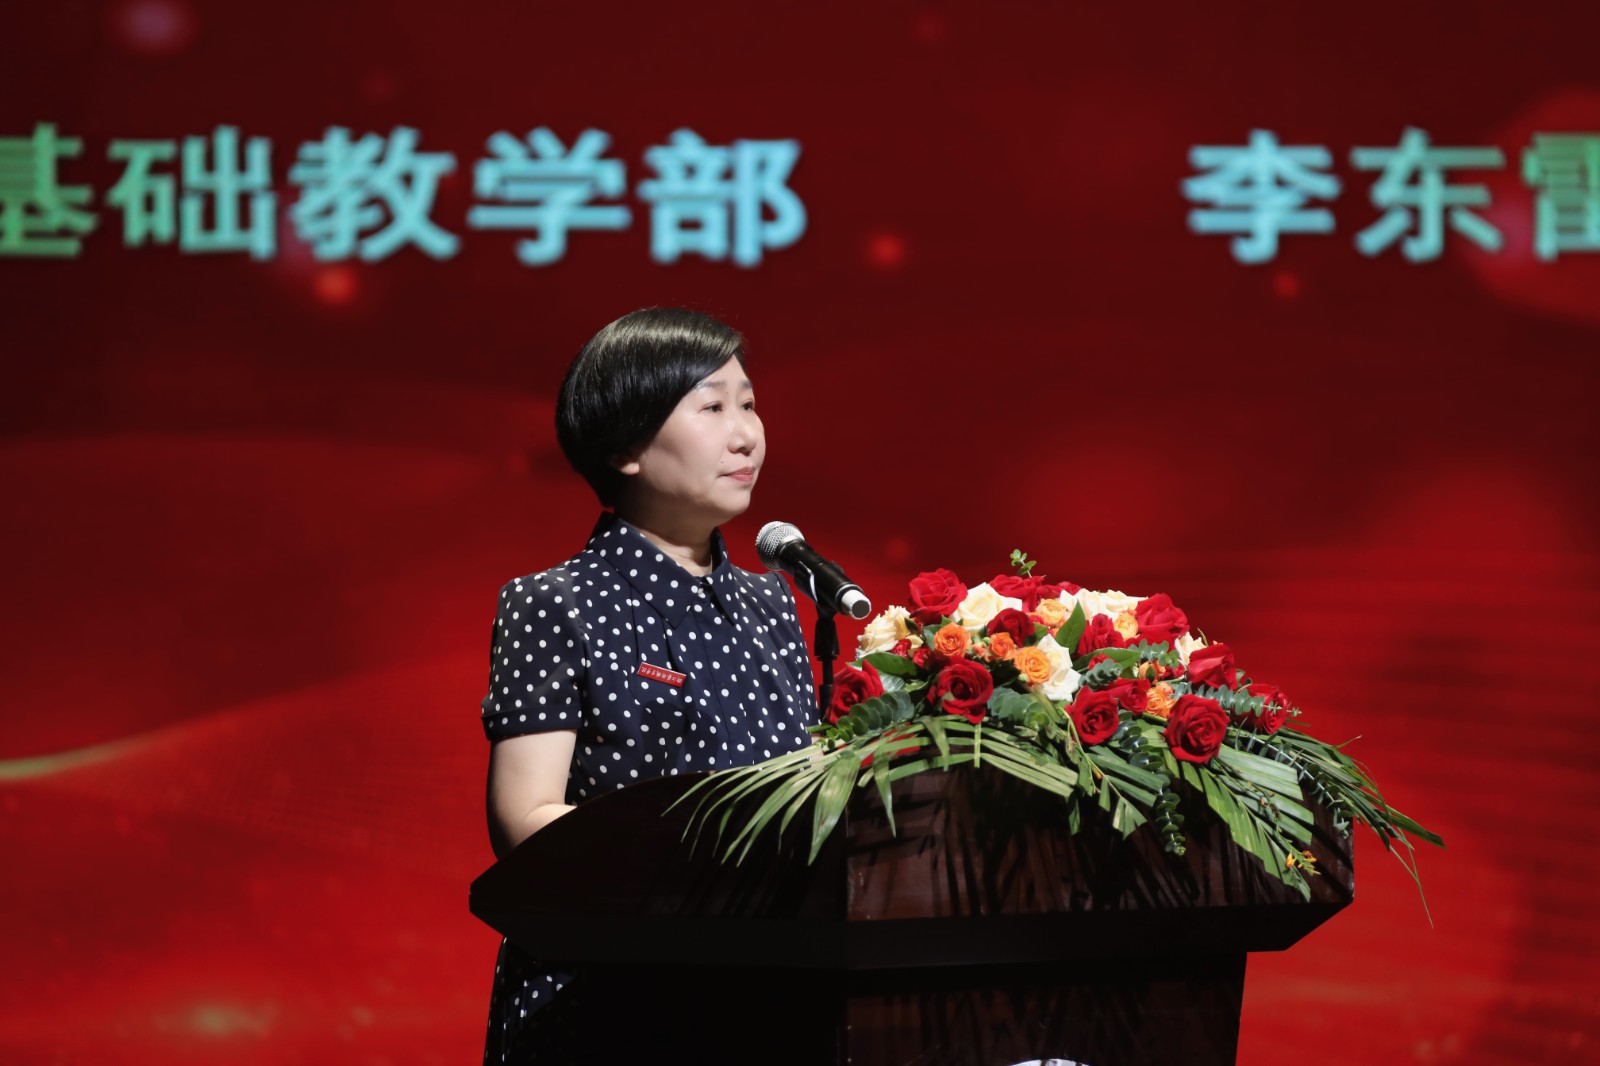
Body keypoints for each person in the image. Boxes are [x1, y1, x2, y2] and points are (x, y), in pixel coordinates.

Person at [478, 307, 817, 1063]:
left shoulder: (774, 603)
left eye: (749, 404)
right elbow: (524, 819)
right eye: (712, 408)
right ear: (624, 447)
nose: (745, 434)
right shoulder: (556, 603)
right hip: (608, 993)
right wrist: (704, 868)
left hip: (767, 989)